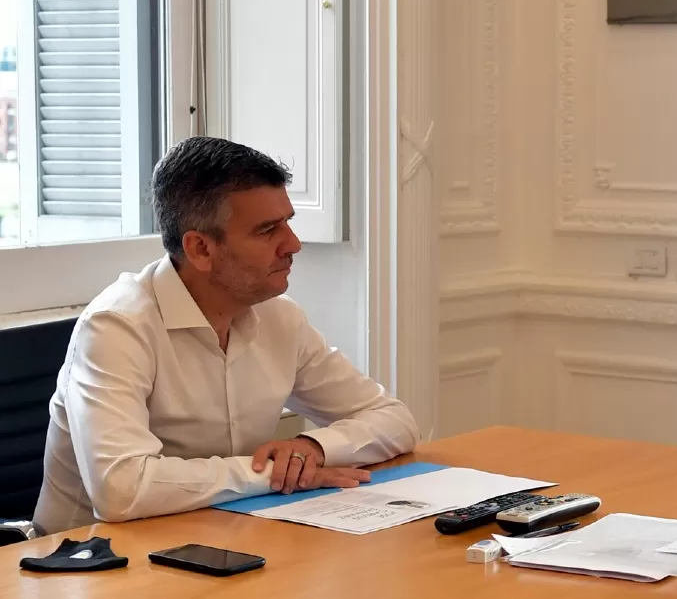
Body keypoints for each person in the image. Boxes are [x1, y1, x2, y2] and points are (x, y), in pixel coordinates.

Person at [34, 137, 419, 534]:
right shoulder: (116, 327)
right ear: (200, 248)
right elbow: (121, 489)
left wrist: (314, 449)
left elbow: (396, 420)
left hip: (220, 542)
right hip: (87, 566)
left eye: (288, 222)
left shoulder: (280, 318)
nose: (293, 245)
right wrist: (272, 473)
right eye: (268, 230)